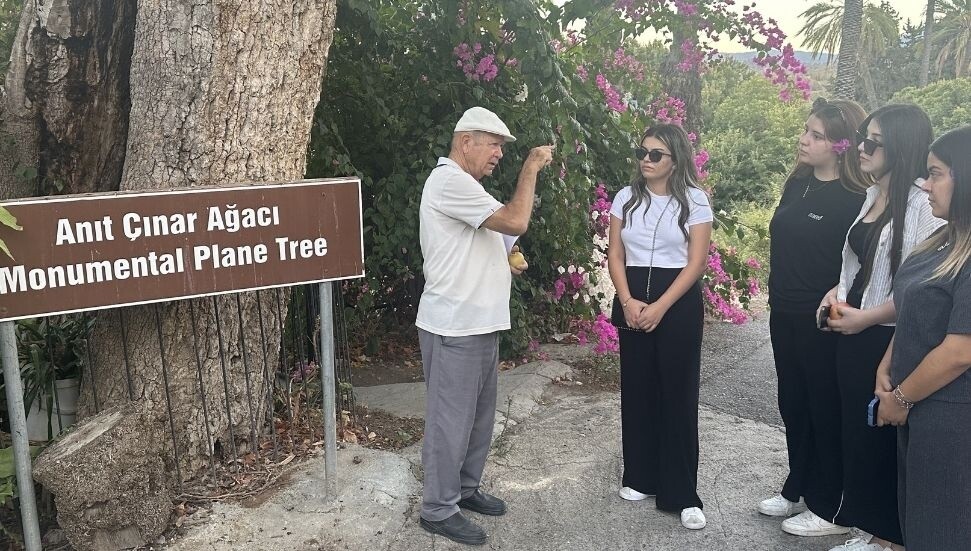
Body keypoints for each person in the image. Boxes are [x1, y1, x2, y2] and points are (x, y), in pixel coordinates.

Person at [415, 106, 553, 546]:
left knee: (476, 419)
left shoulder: (468, 187)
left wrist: (503, 258)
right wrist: (531, 167)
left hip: (478, 323)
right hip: (453, 325)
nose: (499, 153)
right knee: (450, 422)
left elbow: (490, 237)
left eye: (503, 148)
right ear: (465, 141)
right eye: (493, 144)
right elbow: (516, 219)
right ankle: (438, 509)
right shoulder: (449, 181)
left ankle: (465, 489)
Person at [819, 104, 943, 551]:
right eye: (861, 138)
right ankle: (871, 530)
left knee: (882, 438)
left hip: (887, 334)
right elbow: (858, 263)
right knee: (856, 432)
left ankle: (889, 538)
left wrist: (866, 318)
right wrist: (835, 295)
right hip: (852, 330)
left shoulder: (922, 206)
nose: (861, 148)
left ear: (902, 147)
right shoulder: (873, 194)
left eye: (874, 142)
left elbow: (919, 285)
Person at [760, 99, 869, 536]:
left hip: (823, 319)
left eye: (816, 135)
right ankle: (799, 486)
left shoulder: (857, 199)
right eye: (806, 130)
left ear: (841, 146)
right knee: (794, 403)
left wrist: (839, 298)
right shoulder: (798, 184)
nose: (804, 140)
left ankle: (831, 507)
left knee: (825, 407)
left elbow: (864, 265)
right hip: (782, 312)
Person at [607, 123, 713, 530]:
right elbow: (616, 255)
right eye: (642, 152)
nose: (646, 160)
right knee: (637, 390)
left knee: (678, 395)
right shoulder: (625, 198)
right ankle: (640, 477)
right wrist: (627, 300)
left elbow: (696, 262)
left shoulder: (695, 200)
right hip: (632, 297)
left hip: (677, 302)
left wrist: (661, 307)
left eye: (656, 154)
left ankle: (682, 493)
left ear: (675, 159)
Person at [875, 125, 971, 551]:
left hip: (951, 418)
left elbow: (960, 350)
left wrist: (900, 399)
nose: (925, 185)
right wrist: (887, 365)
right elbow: (914, 311)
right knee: (917, 523)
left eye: (935, 174)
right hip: (918, 405)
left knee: (944, 532)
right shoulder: (943, 239)